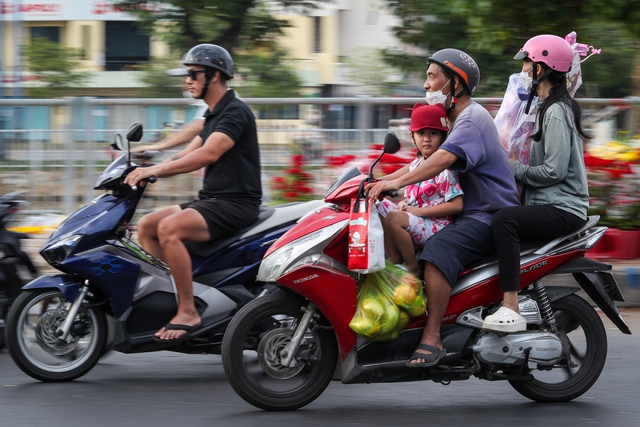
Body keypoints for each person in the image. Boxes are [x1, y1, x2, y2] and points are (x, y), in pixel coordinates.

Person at [366, 48, 520, 367]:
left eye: (433, 77)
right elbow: (417, 165)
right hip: (470, 214)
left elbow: (442, 161)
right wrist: (373, 181)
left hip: (488, 215)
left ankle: (432, 336)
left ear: (455, 83)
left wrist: (392, 185)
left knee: (437, 251)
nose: (426, 85)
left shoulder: (471, 119)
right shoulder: (455, 119)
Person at [124, 44, 262, 342]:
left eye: (192, 74)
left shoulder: (235, 113)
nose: (187, 81)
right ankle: (194, 291)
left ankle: (189, 309)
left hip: (236, 203)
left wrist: (154, 171)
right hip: (213, 200)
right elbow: (187, 150)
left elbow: (207, 154)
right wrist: (153, 156)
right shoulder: (215, 114)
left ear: (214, 76)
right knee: (147, 227)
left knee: (168, 229)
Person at [482, 34, 590, 333]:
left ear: (541, 69)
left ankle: (511, 305)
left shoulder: (556, 112)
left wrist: (514, 168)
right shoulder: (542, 107)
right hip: (548, 202)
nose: (524, 69)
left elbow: (554, 171)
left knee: (504, 221)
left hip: (563, 207)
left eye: (528, 62)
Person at [376, 103, 463, 278]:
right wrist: (371, 181)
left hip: (437, 225)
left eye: (433, 133)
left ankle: (412, 265)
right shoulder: (418, 163)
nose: (427, 139)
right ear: (412, 136)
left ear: (443, 136)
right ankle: (394, 259)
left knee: (394, 217)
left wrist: (419, 211)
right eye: (421, 133)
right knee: (378, 205)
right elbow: (399, 179)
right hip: (417, 218)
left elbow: (457, 205)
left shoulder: (443, 169)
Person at [131, 67, 207, 154]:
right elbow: (187, 152)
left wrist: (158, 147)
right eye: (183, 81)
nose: (187, 83)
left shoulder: (215, 106)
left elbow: (197, 127)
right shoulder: (206, 106)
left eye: (193, 76)